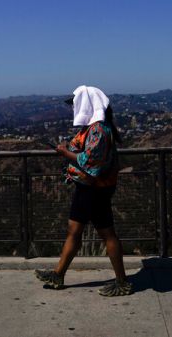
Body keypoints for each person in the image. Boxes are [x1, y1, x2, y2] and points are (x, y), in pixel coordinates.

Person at [34, 85, 133, 296]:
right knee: (76, 231)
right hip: (89, 189)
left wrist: (64, 152)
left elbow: (88, 162)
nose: (73, 108)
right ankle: (58, 275)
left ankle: (122, 282)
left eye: (75, 104)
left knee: (106, 234)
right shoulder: (95, 127)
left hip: (94, 190)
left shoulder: (97, 130)